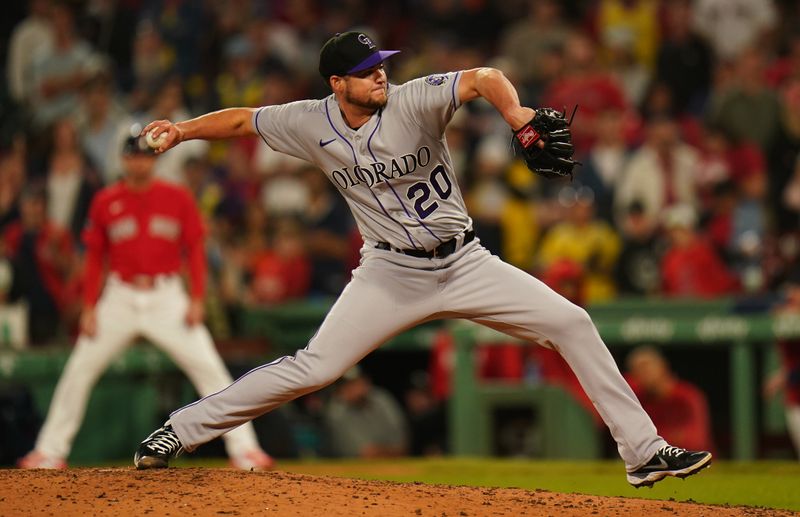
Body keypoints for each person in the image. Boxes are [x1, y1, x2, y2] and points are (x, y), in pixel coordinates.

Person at [133, 31, 711, 488]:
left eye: (380, 62)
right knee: (316, 368)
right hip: (389, 272)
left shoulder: (412, 99)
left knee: (571, 322)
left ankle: (643, 453)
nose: (379, 72)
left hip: (465, 262)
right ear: (338, 83)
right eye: (365, 70)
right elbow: (241, 119)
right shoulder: (310, 121)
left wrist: (516, 116)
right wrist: (181, 131)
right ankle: (177, 432)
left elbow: (484, 77)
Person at [17, 130, 273, 470]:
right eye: (135, 155)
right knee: (79, 369)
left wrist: (197, 297)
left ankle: (245, 449)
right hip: (119, 297)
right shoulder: (106, 201)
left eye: (147, 155)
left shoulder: (176, 197)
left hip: (167, 296)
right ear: (124, 160)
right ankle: (50, 451)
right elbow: (95, 258)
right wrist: (91, 306)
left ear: (155, 159)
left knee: (210, 369)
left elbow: (195, 249)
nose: (140, 161)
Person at [626, 346, 715, 453]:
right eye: (637, 369)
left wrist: (653, 440)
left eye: (646, 367)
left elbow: (696, 441)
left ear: (663, 367)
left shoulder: (687, 396)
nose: (643, 373)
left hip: (697, 462)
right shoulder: (638, 398)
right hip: (657, 464)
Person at [323, 366, 409, 458]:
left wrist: (383, 451)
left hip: (395, 463)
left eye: (358, 383)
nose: (354, 389)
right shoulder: (336, 411)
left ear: (367, 382)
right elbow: (362, 454)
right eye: (348, 385)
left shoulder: (382, 400)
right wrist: (388, 451)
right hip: (352, 468)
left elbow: (402, 445)